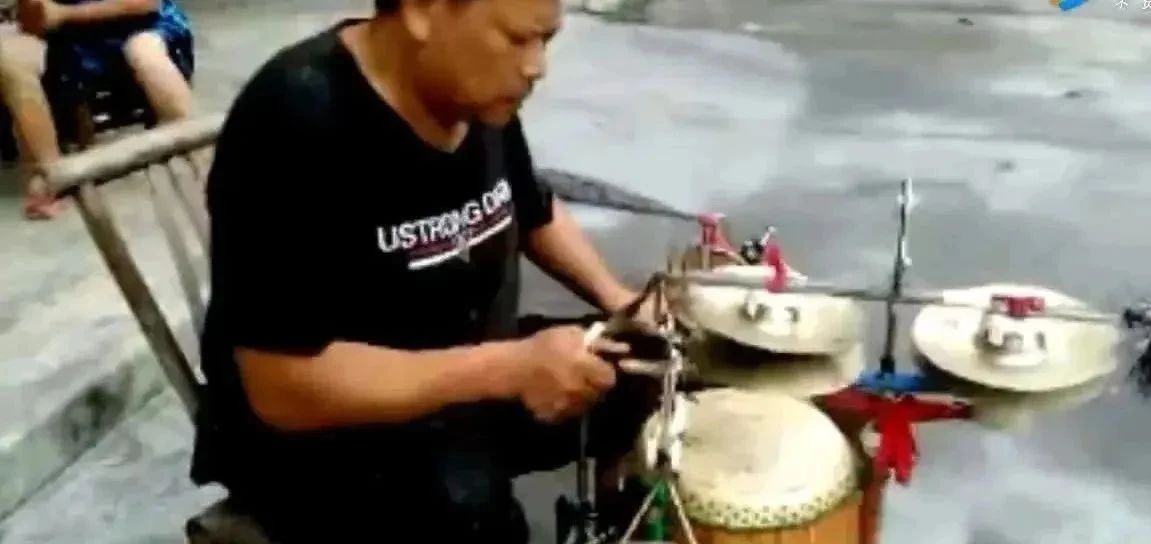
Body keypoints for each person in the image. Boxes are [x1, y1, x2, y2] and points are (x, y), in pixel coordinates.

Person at [191, 0, 658, 541]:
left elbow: (532, 210)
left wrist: (620, 300)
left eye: (545, 41)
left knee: (649, 369)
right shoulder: (295, 120)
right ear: (419, 11)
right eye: (516, 39)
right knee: (469, 511)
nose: (536, 68)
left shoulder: (474, 94)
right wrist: (508, 367)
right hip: (324, 440)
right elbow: (282, 389)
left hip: (462, 371)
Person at [0, 0, 194, 220]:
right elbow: (35, 19)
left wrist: (65, 13)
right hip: (68, 38)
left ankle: (195, 150)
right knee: (10, 58)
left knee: (145, 54)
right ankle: (50, 172)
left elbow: (146, 4)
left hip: (141, 24)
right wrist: (34, 12)